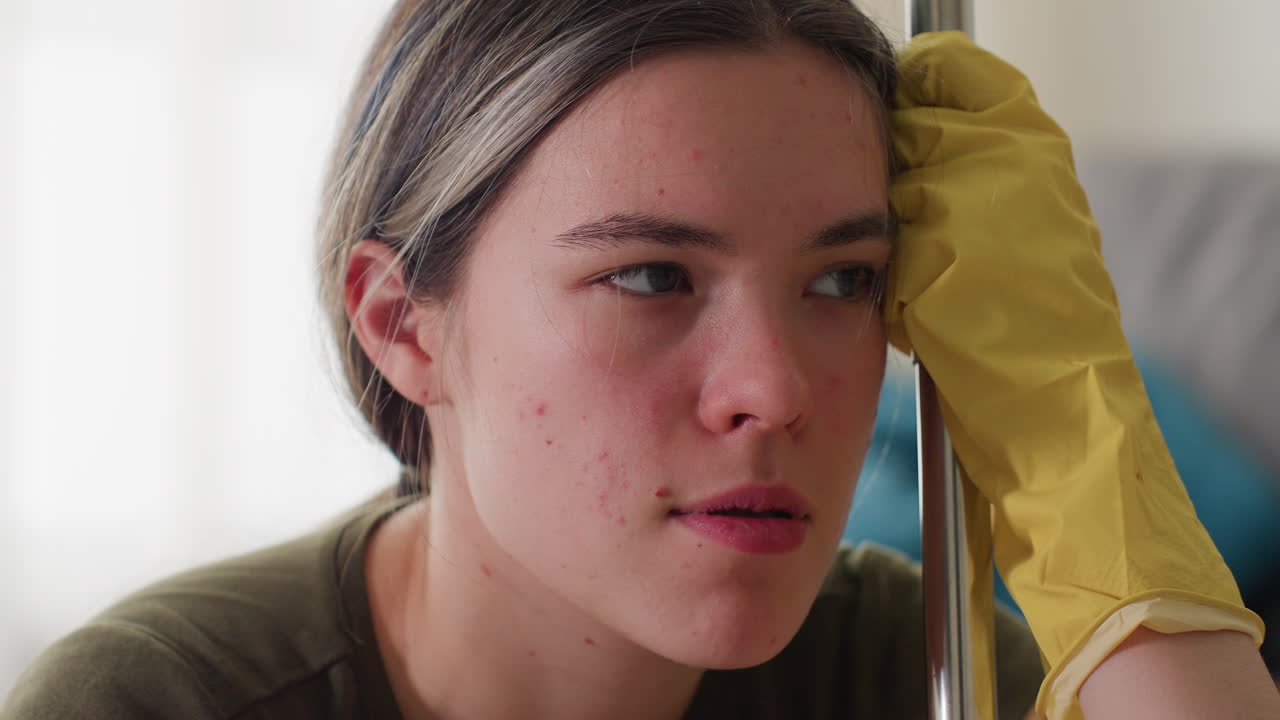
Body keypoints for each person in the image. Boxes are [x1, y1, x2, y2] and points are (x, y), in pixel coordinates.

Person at [3, 1, 1276, 719]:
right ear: (401, 324)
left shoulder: (908, 667)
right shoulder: (150, 704)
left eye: (842, 281)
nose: (774, 391)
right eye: (652, 277)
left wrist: (1068, 414)